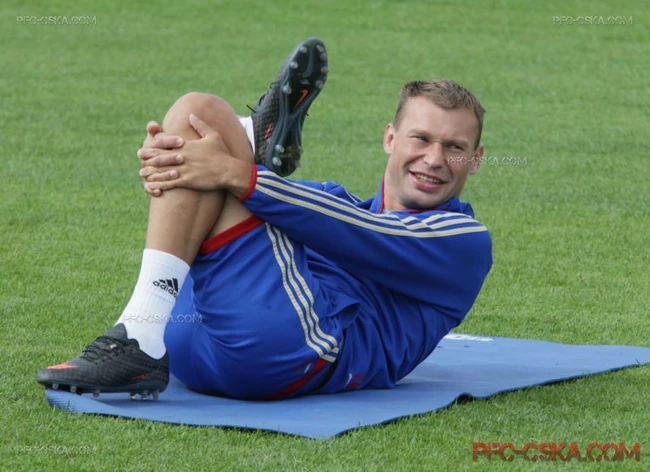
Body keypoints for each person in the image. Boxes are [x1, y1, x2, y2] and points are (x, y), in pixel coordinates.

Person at [37, 38, 492, 400]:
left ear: (475, 160)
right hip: (191, 344)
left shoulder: (464, 241)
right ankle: (142, 333)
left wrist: (231, 171)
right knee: (198, 126)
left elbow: (365, 233)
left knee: (207, 122)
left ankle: (256, 139)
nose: (435, 159)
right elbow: (261, 197)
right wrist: (173, 163)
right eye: (421, 139)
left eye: (455, 148)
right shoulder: (334, 200)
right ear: (390, 139)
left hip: (290, 356)